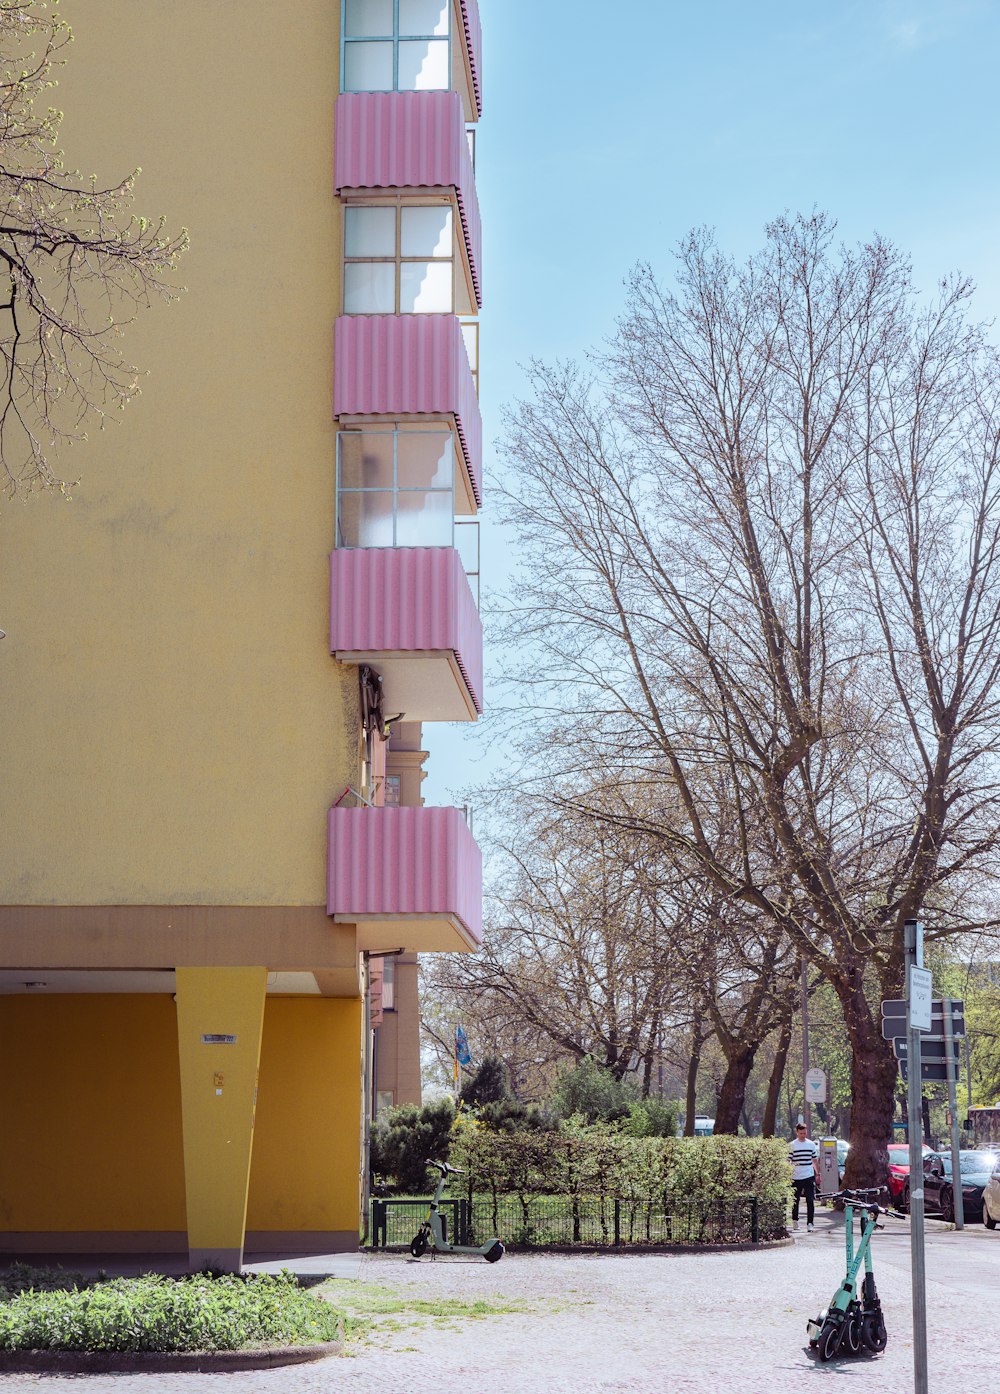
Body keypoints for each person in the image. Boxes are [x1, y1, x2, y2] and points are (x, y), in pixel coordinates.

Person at [789, 1122, 820, 1230]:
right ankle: (795, 1220)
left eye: (805, 1133)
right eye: (801, 1133)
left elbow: (814, 1160)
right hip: (796, 1176)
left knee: (810, 1200)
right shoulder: (792, 1145)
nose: (803, 1135)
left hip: (808, 1175)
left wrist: (817, 1174)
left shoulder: (811, 1144)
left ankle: (810, 1223)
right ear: (797, 1132)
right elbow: (788, 1160)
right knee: (795, 1200)